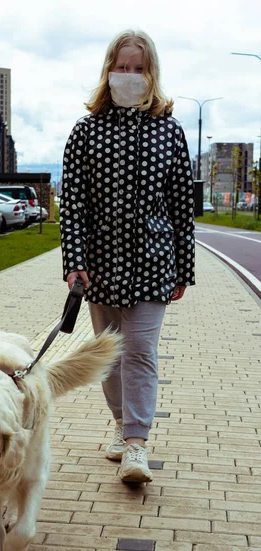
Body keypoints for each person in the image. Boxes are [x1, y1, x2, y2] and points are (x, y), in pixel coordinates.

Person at [59, 29, 195, 483]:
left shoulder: (169, 130)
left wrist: (185, 269)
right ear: (109, 71)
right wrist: (74, 262)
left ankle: (137, 444)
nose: (130, 76)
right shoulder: (86, 131)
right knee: (110, 356)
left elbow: (181, 207)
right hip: (100, 264)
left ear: (151, 73)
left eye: (139, 69)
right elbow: (73, 203)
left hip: (154, 262)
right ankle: (120, 427)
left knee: (141, 352)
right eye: (123, 67)